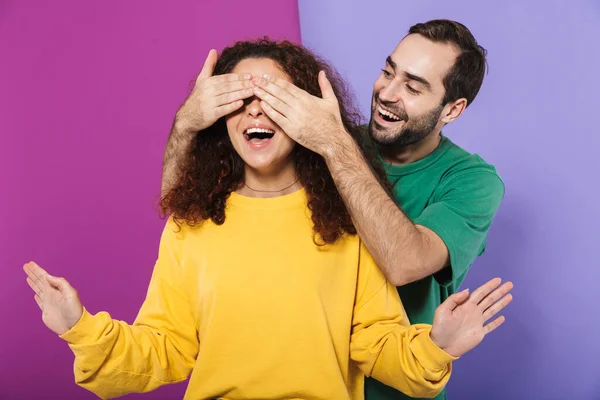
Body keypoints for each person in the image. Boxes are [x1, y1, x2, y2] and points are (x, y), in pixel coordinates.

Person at [24, 39, 513, 400]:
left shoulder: (353, 206)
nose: (388, 92)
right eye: (389, 71)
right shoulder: (192, 225)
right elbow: (163, 345)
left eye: (277, 98)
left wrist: (438, 347)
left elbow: (380, 335)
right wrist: (79, 328)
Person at [161, 19, 503, 400]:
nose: (387, 93)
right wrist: (187, 122)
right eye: (387, 71)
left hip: (408, 380)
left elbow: (404, 262)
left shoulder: (471, 181)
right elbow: (188, 201)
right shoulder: (327, 140)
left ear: (452, 109)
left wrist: (332, 142)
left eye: (412, 86)